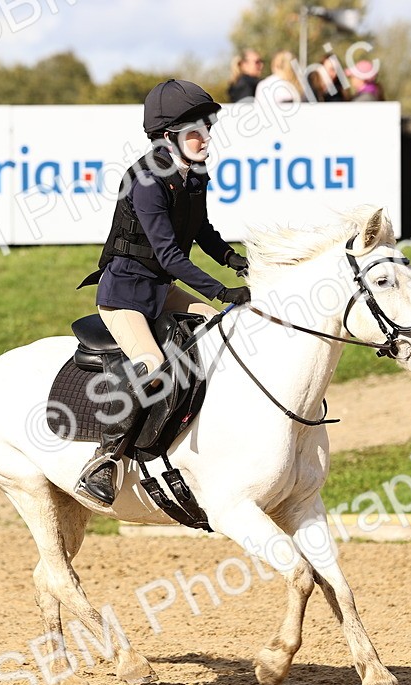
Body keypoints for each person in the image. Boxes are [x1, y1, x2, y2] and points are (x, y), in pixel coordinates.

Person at [73, 79, 250, 507]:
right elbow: (170, 255)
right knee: (152, 364)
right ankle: (105, 461)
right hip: (125, 295)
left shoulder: (194, 173)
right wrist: (223, 290)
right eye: (195, 132)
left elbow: (202, 231)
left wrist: (234, 260)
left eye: (207, 129)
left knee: (217, 330)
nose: (205, 139)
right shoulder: (148, 180)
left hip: (159, 288)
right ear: (168, 137)